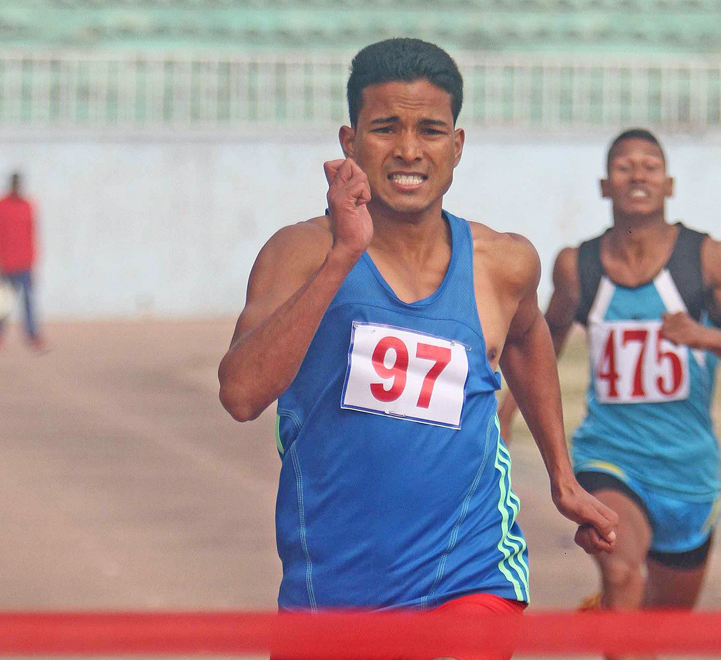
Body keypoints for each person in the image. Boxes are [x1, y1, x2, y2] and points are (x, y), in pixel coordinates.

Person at [218, 37, 617, 656]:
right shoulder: (298, 254)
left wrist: (562, 478)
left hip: (472, 578)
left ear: (456, 146)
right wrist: (343, 256)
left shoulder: (502, 263)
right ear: (350, 142)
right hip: (331, 599)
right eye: (385, 128)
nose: (408, 149)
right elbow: (241, 394)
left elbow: (527, 334)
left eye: (430, 130)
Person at [497, 129, 721, 632]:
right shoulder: (577, 266)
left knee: (657, 626)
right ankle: (614, 604)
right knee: (624, 574)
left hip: (688, 472)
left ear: (668, 183)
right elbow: (536, 344)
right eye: (624, 166)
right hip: (609, 457)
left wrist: (707, 337)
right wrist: (502, 415)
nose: (637, 174)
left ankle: (612, 622)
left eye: (650, 165)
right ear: (605, 186)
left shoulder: (709, 259)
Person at [0, 172, 44, 351]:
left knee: (29, 302)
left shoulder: (27, 206)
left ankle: (32, 335)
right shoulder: (1, 206)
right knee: (3, 303)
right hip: (7, 264)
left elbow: (32, 234)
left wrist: (33, 261)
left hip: (24, 264)